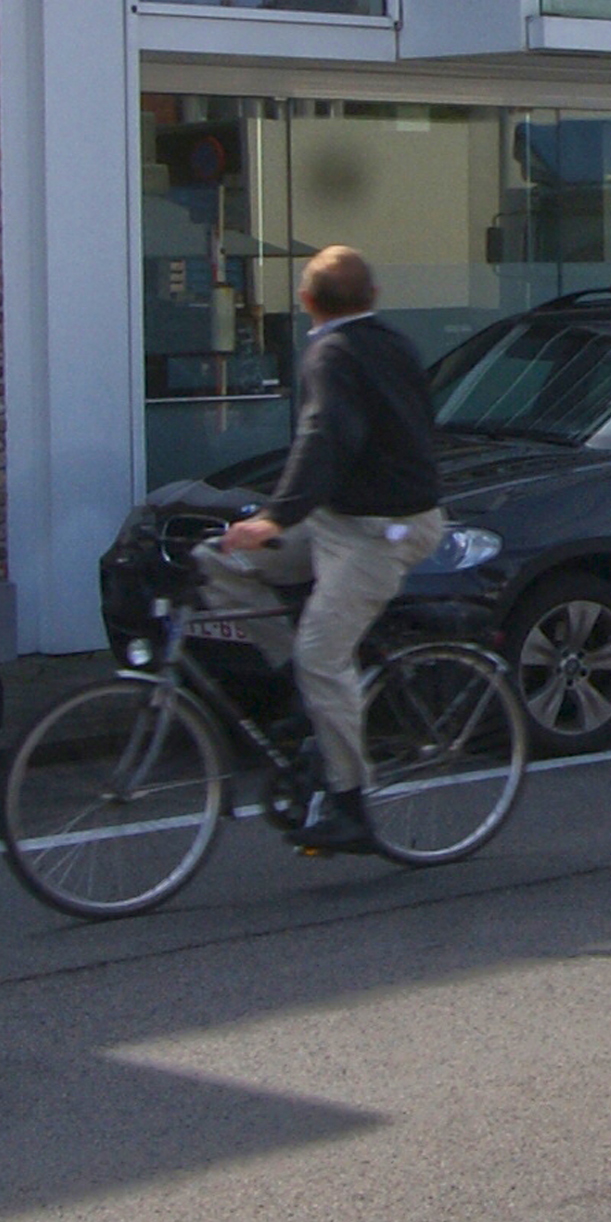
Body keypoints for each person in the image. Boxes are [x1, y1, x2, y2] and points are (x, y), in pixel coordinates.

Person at [192, 246, 445, 854]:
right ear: (372, 297)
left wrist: (275, 515)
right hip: (343, 520)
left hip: (383, 530)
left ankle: (351, 805)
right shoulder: (396, 343)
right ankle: (305, 697)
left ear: (306, 302)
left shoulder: (330, 352)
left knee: (322, 656)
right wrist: (272, 524)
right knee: (217, 560)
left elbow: (327, 433)